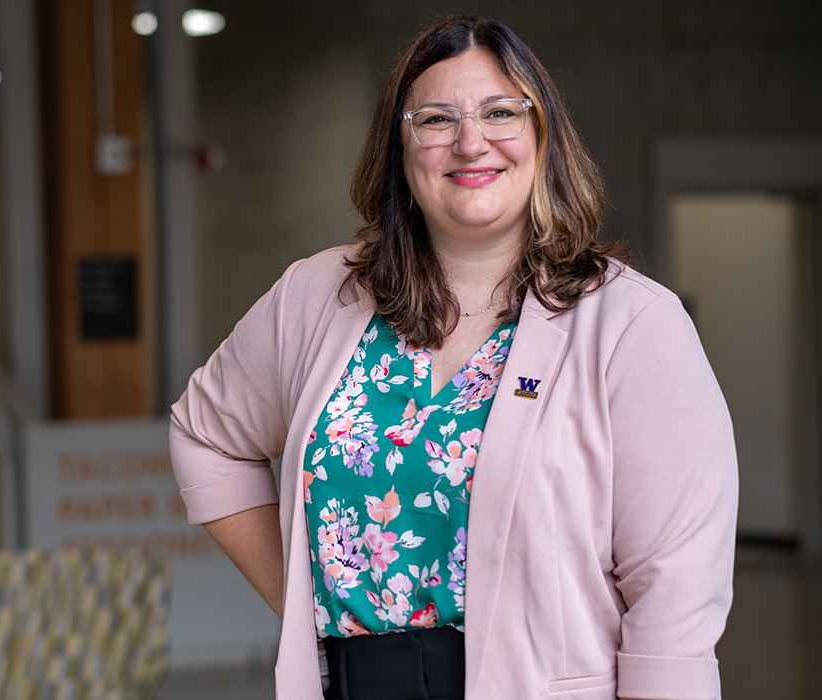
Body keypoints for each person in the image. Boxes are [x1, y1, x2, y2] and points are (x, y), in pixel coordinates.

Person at [170, 14, 737, 700]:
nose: (471, 142)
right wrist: (302, 600)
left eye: (501, 112)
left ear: (543, 139)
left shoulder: (633, 326)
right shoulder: (317, 296)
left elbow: (673, 594)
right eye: (436, 119)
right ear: (401, 152)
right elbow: (206, 437)